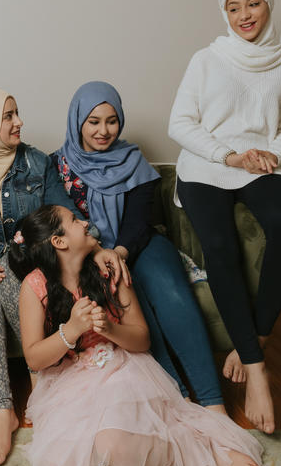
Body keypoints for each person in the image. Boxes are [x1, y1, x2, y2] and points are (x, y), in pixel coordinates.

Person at [10, 205, 269, 466]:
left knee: (113, 445)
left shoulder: (110, 270)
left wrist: (108, 328)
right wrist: (71, 331)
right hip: (68, 381)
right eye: (74, 220)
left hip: (121, 370)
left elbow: (142, 339)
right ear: (59, 242)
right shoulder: (35, 286)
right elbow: (34, 358)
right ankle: (135, 447)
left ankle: (206, 453)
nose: (84, 222)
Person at [0, 88, 123, 466]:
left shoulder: (37, 163)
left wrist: (97, 246)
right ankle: (2, 410)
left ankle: (40, 385)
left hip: (32, 264)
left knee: (7, 280)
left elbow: (66, 214)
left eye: (17, 113)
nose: (19, 122)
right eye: (8, 116)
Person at [168, 0, 281, 435]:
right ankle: (257, 369)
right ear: (224, 13)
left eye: (253, 5)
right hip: (208, 164)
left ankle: (254, 339)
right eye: (234, 7)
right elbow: (180, 123)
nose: (244, 15)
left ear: (268, 6)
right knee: (221, 249)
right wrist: (228, 155)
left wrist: (272, 153)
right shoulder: (207, 59)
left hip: (258, 164)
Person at [54, 81, 226, 414]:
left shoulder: (134, 161)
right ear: (77, 121)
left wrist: (119, 253)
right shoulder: (56, 166)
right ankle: (178, 397)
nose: (104, 130)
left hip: (138, 243)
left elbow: (137, 221)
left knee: (173, 292)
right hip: (87, 253)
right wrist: (97, 253)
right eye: (93, 121)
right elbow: (65, 218)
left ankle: (214, 401)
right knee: (125, 289)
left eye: (112, 120)